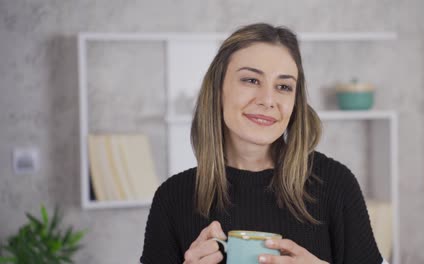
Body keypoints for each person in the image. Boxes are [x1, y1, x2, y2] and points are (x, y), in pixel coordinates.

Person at [140, 23, 387, 264]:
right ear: (217, 91)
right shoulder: (172, 198)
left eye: (283, 86)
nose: (268, 100)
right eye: (251, 80)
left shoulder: (335, 184)